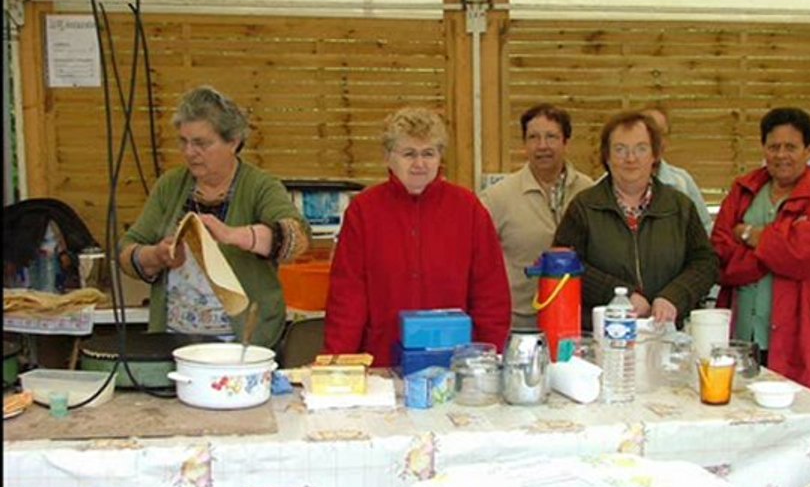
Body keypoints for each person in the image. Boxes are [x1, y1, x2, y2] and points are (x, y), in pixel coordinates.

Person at [119, 85, 311, 349]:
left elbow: (296, 237)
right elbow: (126, 252)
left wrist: (234, 235)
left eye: (201, 143)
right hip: (174, 340)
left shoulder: (260, 186)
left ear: (233, 141)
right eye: (183, 141)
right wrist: (156, 255)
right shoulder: (170, 185)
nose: (189, 152)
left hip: (243, 344)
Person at [324, 107, 511, 367]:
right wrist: (337, 364)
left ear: (439, 158)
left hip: (456, 362)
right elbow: (347, 297)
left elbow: (491, 293)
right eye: (409, 154)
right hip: (382, 361)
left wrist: (491, 358)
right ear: (389, 157)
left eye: (428, 154)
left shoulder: (468, 208)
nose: (419, 164)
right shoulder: (364, 211)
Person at [711, 107, 810, 393]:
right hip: (741, 338)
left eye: (791, 147)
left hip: (803, 340)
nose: (781, 155)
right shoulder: (744, 188)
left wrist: (749, 234)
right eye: (774, 147)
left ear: (809, 151)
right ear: (764, 148)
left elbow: (806, 254)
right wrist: (779, 250)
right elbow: (720, 255)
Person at [553, 110, 717, 330]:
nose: (631, 158)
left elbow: (705, 263)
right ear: (607, 157)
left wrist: (672, 297)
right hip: (601, 335)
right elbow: (564, 265)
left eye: (641, 148)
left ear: (655, 155)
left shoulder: (680, 207)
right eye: (620, 150)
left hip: (666, 335)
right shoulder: (584, 207)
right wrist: (620, 295)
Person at [480, 103, 593, 328]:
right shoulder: (497, 197)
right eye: (533, 137)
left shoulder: (589, 193)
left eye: (551, 137)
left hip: (577, 321)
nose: (542, 146)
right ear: (524, 144)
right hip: (518, 324)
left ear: (565, 142)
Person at [644, 106, 713, 234]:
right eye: (651, 134)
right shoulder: (611, 182)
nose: (657, 141)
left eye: (662, 134)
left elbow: (705, 229)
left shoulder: (682, 181)